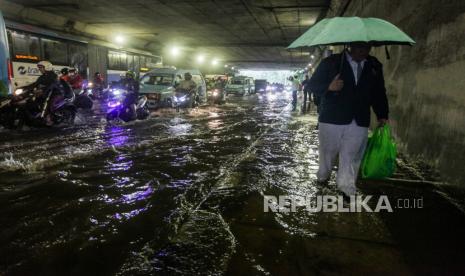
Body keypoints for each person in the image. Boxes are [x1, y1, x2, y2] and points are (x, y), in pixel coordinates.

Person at [308, 42, 389, 198]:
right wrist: (329, 87)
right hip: (332, 118)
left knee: (351, 155)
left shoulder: (374, 65)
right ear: (350, 46)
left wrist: (382, 114)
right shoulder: (331, 62)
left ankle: (346, 187)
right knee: (328, 153)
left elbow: (379, 92)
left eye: (367, 48)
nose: (363, 51)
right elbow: (312, 85)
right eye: (360, 47)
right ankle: (323, 176)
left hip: (359, 119)